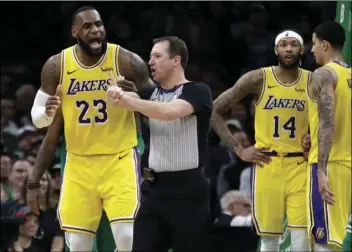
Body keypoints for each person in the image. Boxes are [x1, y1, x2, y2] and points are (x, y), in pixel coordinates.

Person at [26, 6, 154, 252]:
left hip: (120, 158)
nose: (96, 30)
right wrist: (48, 113)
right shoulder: (56, 66)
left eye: (99, 24)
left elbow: (158, 108)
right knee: (78, 244)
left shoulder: (125, 61)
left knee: (127, 238)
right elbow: (41, 121)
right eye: (87, 26)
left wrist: (135, 98)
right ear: (75, 32)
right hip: (78, 162)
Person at [107, 36, 213, 251]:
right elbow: (120, 104)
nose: (151, 62)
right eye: (150, 57)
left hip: (188, 191)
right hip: (154, 189)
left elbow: (168, 112)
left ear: (176, 60)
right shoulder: (148, 94)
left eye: (157, 56)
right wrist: (114, 93)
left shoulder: (198, 91)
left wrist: (127, 100)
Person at [211, 30, 311, 251]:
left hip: (300, 166)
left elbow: (329, 118)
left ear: (302, 50)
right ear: (276, 50)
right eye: (283, 44)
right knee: (268, 239)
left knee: (302, 239)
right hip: (268, 164)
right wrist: (239, 149)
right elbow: (214, 110)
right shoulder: (258, 78)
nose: (288, 49)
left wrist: (314, 137)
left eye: (293, 44)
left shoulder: (312, 81)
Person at [306, 21, 351, 251]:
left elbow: (327, 120)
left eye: (314, 44)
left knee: (324, 243)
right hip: (347, 165)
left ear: (324, 44)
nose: (311, 50)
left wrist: (321, 171)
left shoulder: (324, 74)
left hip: (329, 165)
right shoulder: (349, 75)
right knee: (339, 240)